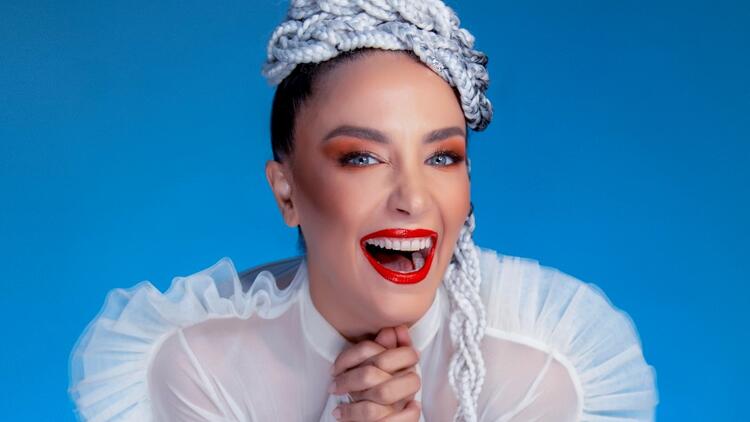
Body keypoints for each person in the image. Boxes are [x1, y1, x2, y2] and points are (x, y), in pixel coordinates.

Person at [68, 1, 659, 421]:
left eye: (442, 157)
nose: (413, 198)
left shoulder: (537, 372)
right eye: (362, 158)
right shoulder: (200, 365)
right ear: (286, 193)